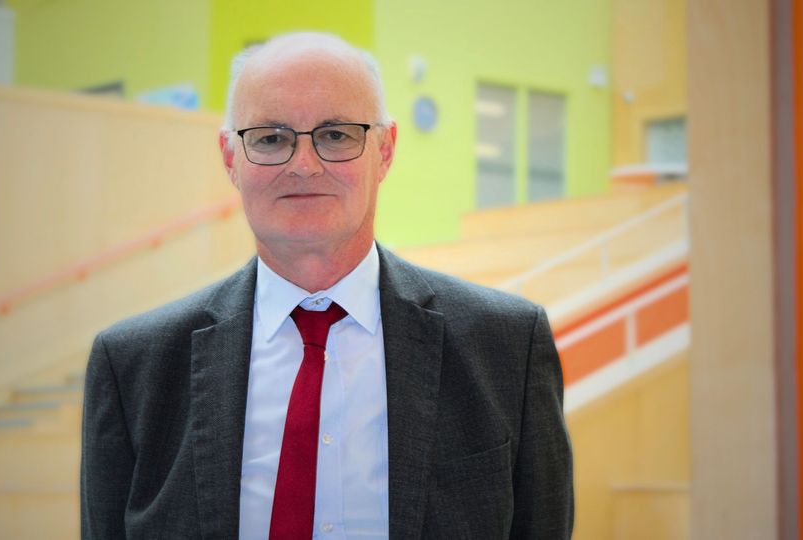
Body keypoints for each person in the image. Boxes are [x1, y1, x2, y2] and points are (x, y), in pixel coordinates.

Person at [81, 32, 573, 540]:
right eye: (270, 137)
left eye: (336, 135)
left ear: (385, 151)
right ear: (231, 157)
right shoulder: (133, 366)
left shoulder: (507, 347)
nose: (303, 164)